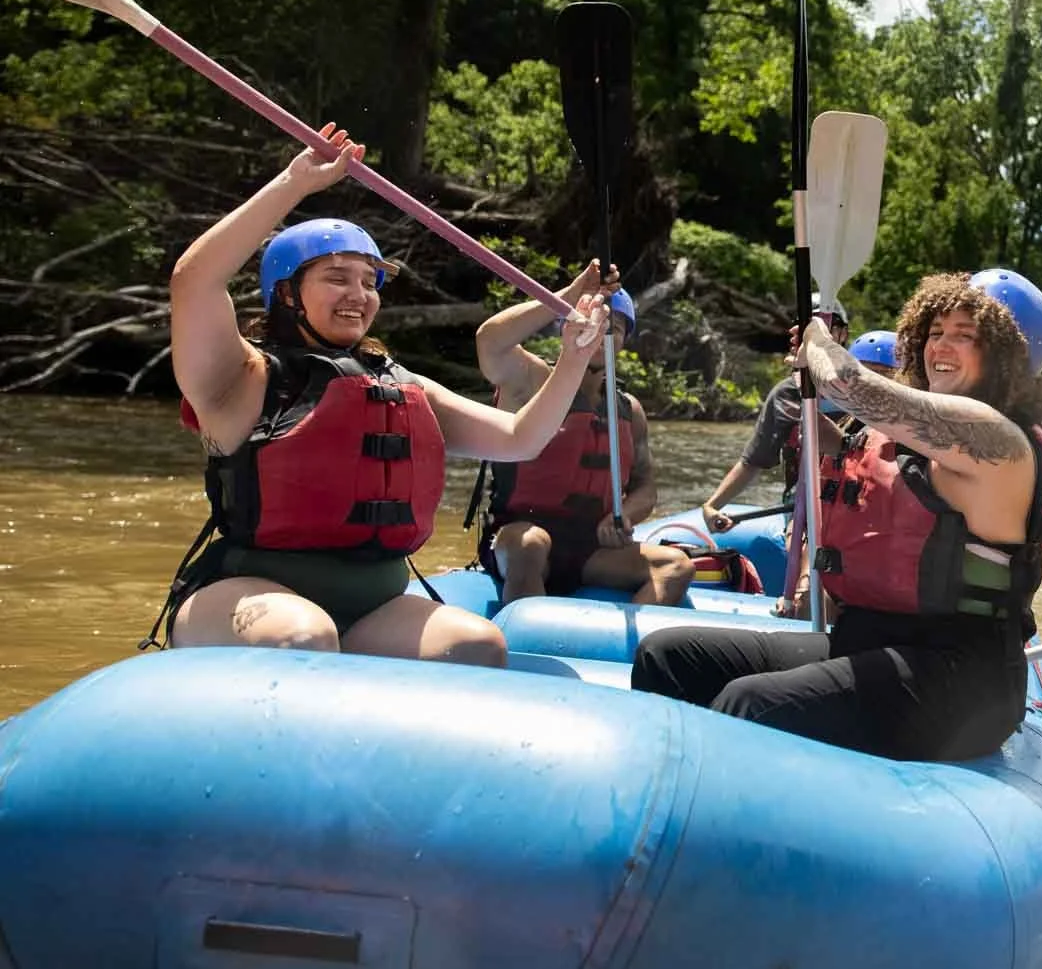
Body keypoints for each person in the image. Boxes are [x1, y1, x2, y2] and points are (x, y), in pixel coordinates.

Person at [153, 125, 611, 664]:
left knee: (477, 645)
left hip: (375, 601)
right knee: (304, 637)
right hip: (251, 593)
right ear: (285, 293)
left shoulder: (398, 384)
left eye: (370, 282)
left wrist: (574, 355)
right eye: (337, 277)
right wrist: (294, 183)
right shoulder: (242, 375)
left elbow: (520, 438)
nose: (359, 294)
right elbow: (194, 279)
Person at [631, 269, 1042, 762]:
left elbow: (853, 385)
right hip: (871, 639)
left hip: (959, 677)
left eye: (964, 336)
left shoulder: (998, 441)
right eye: (935, 332)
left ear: (1006, 356)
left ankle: (707, 825)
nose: (941, 347)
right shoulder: (922, 433)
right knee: (668, 658)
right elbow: (866, 452)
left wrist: (820, 341)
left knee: (749, 704)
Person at [472, 263, 693, 605]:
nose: (602, 333)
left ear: (624, 341)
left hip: (591, 546)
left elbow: (644, 488)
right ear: (566, 324)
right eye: (592, 321)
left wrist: (623, 517)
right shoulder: (530, 380)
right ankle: (525, 643)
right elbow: (490, 341)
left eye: (614, 328)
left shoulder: (628, 409)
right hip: (520, 536)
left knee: (676, 567)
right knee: (530, 544)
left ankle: (632, 657)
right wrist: (570, 296)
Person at [697, 293, 849, 536]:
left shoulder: (863, 391)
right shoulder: (786, 394)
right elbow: (752, 462)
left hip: (853, 504)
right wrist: (713, 505)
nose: (818, 337)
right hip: (803, 506)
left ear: (843, 335)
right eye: (809, 329)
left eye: (828, 328)